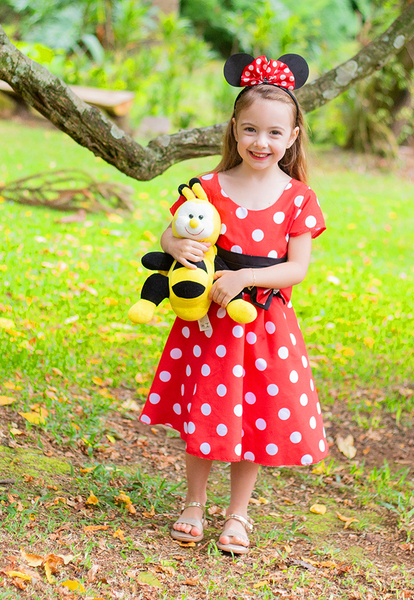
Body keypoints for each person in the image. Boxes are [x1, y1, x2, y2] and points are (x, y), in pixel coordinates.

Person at [137, 53, 328, 555]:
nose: (260, 142)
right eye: (250, 130)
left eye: (273, 132)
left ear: (292, 136)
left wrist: (246, 277)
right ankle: (194, 503)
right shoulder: (209, 188)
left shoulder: (298, 198)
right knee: (205, 411)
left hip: (264, 325)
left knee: (253, 417)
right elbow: (173, 232)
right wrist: (175, 245)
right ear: (234, 130)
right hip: (210, 325)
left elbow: (296, 269)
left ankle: (238, 514)